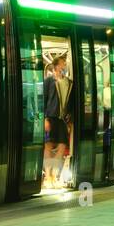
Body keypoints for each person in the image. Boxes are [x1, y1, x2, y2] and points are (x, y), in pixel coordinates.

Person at [43, 54, 72, 187]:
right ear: (56, 66)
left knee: (62, 146)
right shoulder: (49, 81)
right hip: (50, 116)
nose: (64, 66)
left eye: (64, 64)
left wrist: (68, 118)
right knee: (48, 145)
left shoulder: (67, 82)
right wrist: (44, 118)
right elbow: (44, 99)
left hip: (61, 118)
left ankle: (53, 174)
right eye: (62, 64)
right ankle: (48, 176)